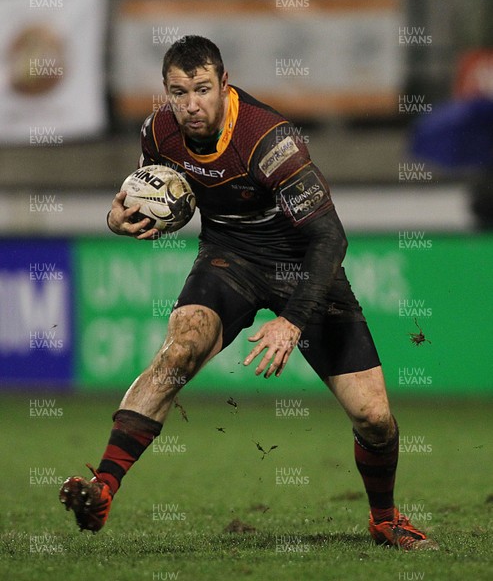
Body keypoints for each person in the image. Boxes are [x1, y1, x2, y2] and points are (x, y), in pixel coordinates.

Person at [60, 36, 437, 550]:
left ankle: (384, 518)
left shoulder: (268, 140)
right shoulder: (158, 132)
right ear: (165, 92)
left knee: (374, 417)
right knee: (178, 352)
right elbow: (148, 194)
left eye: (202, 89)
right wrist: (115, 220)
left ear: (223, 83)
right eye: (178, 92)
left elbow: (331, 237)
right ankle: (101, 488)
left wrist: (293, 320)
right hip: (228, 258)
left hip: (301, 262)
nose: (191, 104)